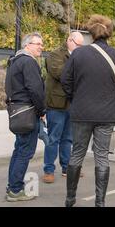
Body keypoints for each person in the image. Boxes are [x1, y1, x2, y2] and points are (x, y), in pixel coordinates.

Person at [61, 15, 115, 207]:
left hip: (81, 112)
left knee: (77, 153)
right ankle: (100, 202)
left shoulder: (78, 54)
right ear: (109, 33)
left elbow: (65, 80)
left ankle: (70, 199)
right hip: (106, 113)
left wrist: (75, 98)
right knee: (102, 156)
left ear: (91, 33)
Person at [5, 32, 46, 202]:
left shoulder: (15, 61)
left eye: (41, 44)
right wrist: (42, 111)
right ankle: (15, 190)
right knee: (24, 152)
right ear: (27, 45)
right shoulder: (28, 62)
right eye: (37, 44)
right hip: (28, 112)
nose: (41, 47)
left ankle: (13, 186)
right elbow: (35, 90)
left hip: (17, 111)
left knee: (19, 150)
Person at [42, 32, 84, 184]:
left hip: (72, 104)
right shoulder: (55, 55)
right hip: (56, 104)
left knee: (68, 139)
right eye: (78, 45)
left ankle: (67, 168)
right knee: (53, 138)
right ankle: (48, 170)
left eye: (81, 45)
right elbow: (60, 73)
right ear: (69, 41)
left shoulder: (79, 56)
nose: (80, 48)